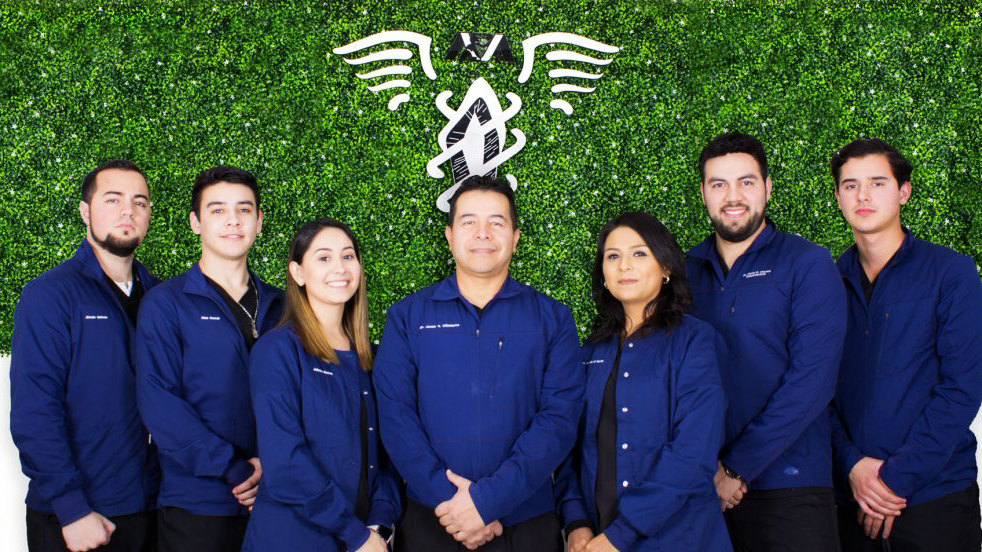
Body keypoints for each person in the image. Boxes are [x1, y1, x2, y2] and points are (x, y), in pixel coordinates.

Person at [373, 175, 584, 551]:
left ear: (516, 237)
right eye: (469, 222)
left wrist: (487, 503)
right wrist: (454, 505)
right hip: (433, 519)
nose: (483, 233)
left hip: (525, 521)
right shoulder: (407, 317)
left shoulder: (552, 318)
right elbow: (396, 417)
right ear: (449, 235)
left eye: (497, 222)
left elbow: (559, 420)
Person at [686, 132, 847, 551]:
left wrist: (737, 470)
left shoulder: (808, 264)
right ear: (703, 193)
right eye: (719, 184)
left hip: (790, 489)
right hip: (700, 494)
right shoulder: (685, 273)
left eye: (746, 182)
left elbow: (812, 382)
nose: (732, 196)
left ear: (768, 188)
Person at [828, 139, 982, 551]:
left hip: (936, 501)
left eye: (878, 183)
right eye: (850, 185)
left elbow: (962, 388)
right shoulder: (823, 282)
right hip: (851, 498)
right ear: (838, 197)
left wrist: (893, 482)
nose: (863, 195)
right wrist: (854, 467)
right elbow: (816, 391)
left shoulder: (951, 273)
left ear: (903, 192)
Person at [557, 211, 731, 552]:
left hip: (679, 539)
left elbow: (693, 453)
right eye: (613, 256)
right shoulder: (589, 351)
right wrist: (576, 522)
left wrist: (621, 535)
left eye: (639, 253)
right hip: (595, 538)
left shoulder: (695, 342)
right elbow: (569, 448)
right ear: (603, 274)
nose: (625, 266)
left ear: (666, 268)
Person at [11, 160, 159, 552]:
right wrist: (72, 509)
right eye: (113, 199)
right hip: (74, 519)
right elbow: (34, 412)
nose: (128, 210)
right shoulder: (49, 295)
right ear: (85, 211)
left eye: (139, 202)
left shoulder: (162, 298)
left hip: (150, 510)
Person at [135, 166, 284, 552]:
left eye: (244, 209)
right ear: (195, 222)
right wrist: (234, 469)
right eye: (217, 210)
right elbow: (159, 403)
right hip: (198, 507)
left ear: (259, 221)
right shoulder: (166, 304)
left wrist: (276, 466)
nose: (232, 220)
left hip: (281, 500)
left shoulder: (285, 305)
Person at [242, 217, 400, 552]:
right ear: (298, 273)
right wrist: (354, 534)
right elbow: (285, 463)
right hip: (294, 539)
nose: (339, 268)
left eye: (348, 256)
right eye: (324, 258)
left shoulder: (372, 357)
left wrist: (379, 523)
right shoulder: (277, 351)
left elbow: (387, 457)